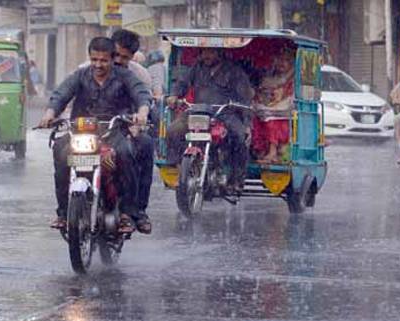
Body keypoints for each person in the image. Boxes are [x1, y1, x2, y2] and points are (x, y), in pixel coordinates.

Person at [38, 37, 150, 233]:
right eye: (94, 60)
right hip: (81, 132)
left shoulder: (125, 76)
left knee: (126, 153)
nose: (98, 65)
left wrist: (142, 112)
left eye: (103, 60)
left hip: (114, 132)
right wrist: (49, 114)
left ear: (112, 59)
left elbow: (141, 94)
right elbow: (61, 94)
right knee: (60, 150)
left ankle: (127, 213)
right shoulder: (80, 76)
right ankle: (63, 213)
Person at [166, 48, 254, 188]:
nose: (206, 56)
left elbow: (245, 99)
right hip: (198, 111)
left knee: (239, 136)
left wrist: (247, 123)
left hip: (225, 113)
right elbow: (182, 83)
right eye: (204, 52)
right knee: (173, 130)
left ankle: (237, 178)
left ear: (220, 53)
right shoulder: (197, 68)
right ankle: (179, 170)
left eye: (211, 52)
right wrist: (174, 95)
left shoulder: (234, 71)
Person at [110, 29, 156, 234]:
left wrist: (140, 119)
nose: (118, 60)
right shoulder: (88, 68)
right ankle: (67, 210)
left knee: (145, 145)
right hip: (95, 128)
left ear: (133, 57)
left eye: (124, 57)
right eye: (115, 54)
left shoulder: (140, 74)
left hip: (127, 128)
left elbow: (144, 100)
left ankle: (137, 210)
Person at [251, 49, 294, 163]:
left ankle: (273, 151)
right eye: (279, 60)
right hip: (268, 107)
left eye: (285, 60)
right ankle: (260, 150)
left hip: (286, 111)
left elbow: (288, 96)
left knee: (271, 121)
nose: (281, 63)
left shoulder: (292, 79)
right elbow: (262, 89)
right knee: (255, 118)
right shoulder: (270, 75)